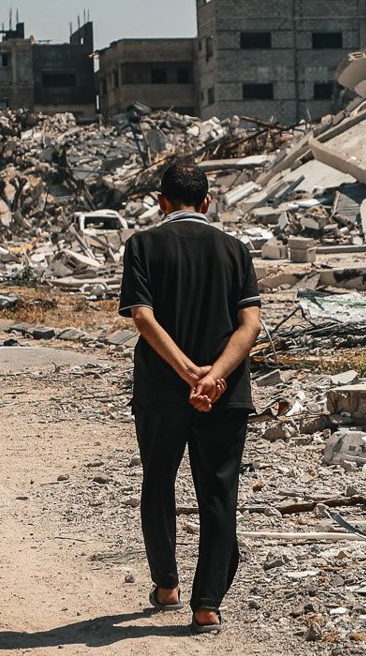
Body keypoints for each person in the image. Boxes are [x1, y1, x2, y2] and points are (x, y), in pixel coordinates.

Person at [117, 162, 262, 635]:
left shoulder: (142, 245)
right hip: (225, 394)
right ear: (207, 203)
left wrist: (185, 373)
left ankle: (166, 585)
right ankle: (207, 606)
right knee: (218, 493)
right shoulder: (236, 250)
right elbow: (251, 326)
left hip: (161, 391)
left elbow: (142, 316)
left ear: (162, 202)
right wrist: (214, 377)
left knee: (158, 484)